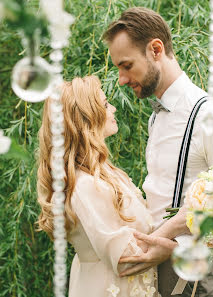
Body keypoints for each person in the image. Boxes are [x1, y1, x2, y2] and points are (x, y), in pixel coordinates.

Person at [103, 7, 213, 297]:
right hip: (151, 266)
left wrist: (170, 239)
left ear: (156, 49)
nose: (121, 79)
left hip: (187, 274)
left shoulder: (212, 116)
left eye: (126, 65)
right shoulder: (156, 116)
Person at [36, 76, 159, 297]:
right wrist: (177, 232)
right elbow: (125, 259)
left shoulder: (104, 172)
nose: (113, 109)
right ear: (85, 119)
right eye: (104, 104)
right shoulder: (84, 186)